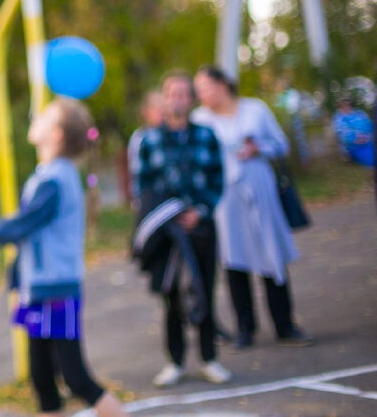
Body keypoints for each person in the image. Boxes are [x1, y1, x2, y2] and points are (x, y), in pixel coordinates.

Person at [0, 98, 127, 417]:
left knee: (76, 379)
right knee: (42, 380)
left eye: (47, 115)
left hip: (56, 289)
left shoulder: (56, 179)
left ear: (57, 135)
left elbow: (18, 228)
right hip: (41, 287)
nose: (37, 117)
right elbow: (26, 225)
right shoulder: (47, 174)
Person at [192, 64, 311, 350]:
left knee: (271, 254)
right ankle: (245, 328)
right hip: (226, 197)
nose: (201, 95)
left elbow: (281, 144)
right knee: (235, 260)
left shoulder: (255, 110)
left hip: (260, 190)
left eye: (204, 88)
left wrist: (259, 148)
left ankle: (285, 324)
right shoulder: (200, 120)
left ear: (222, 85)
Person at [136, 71, 231, 388]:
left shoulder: (206, 135)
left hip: (202, 229)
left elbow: (218, 180)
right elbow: (143, 188)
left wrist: (200, 211)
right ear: (163, 99)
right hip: (168, 235)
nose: (176, 98)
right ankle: (175, 362)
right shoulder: (149, 141)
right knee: (171, 296)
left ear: (190, 100)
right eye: (170, 93)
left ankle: (209, 359)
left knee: (204, 289)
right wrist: (168, 216)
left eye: (182, 93)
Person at [126, 89, 164, 209]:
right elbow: (137, 172)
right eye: (157, 109)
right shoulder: (141, 137)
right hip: (152, 200)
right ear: (147, 111)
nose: (162, 113)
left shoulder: (174, 135)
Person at [332, 95, 374, 168]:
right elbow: (342, 135)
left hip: (368, 141)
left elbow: (369, 126)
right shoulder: (338, 118)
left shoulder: (360, 113)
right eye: (343, 105)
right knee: (370, 159)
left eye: (348, 105)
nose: (347, 107)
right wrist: (356, 138)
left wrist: (367, 136)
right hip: (353, 146)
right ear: (340, 106)